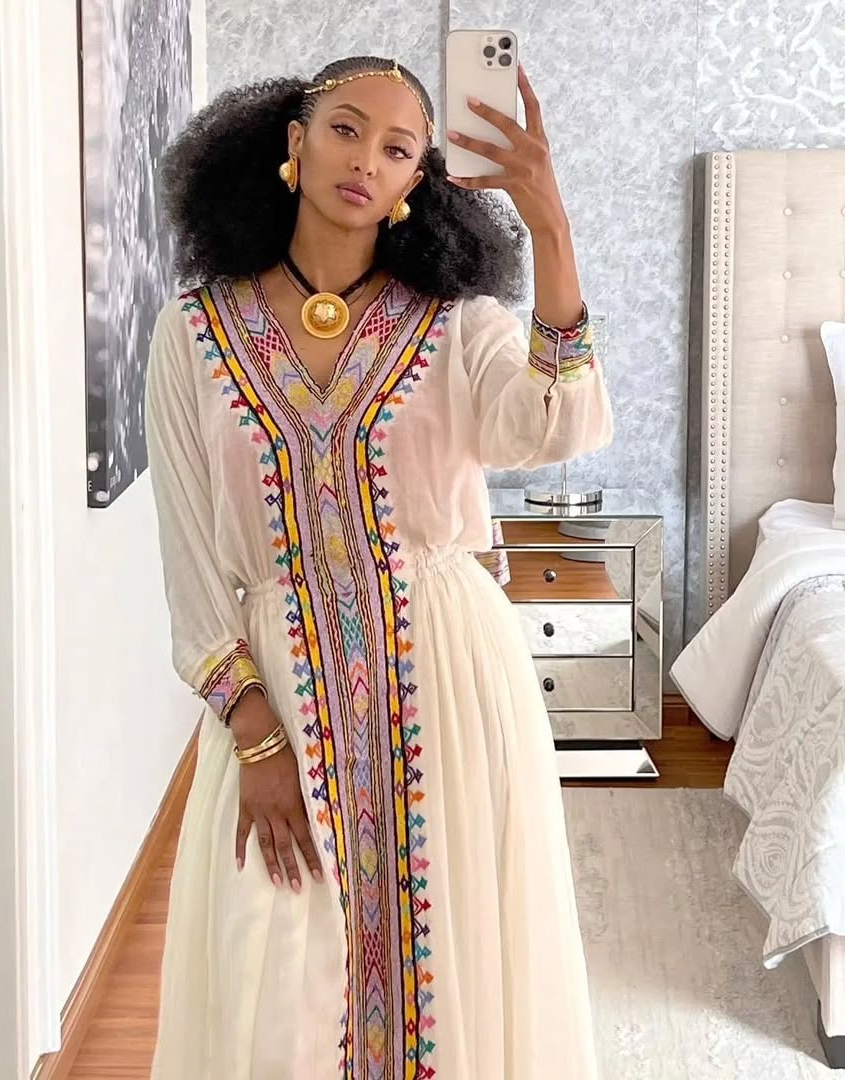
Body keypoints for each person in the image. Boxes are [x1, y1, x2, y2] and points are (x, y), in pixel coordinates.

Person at [144, 53, 612, 1080]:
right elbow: (187, 558)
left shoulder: (457, 328)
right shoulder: (193, 335)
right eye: (347, 128)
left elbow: (560, 422)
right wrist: (255, 736)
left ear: (417, 183)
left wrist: (552, 225)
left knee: (451, 965)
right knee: (273, 976)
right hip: (279, 697)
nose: (367, 159)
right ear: (293, 142)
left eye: (399, 147)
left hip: (447, 677)